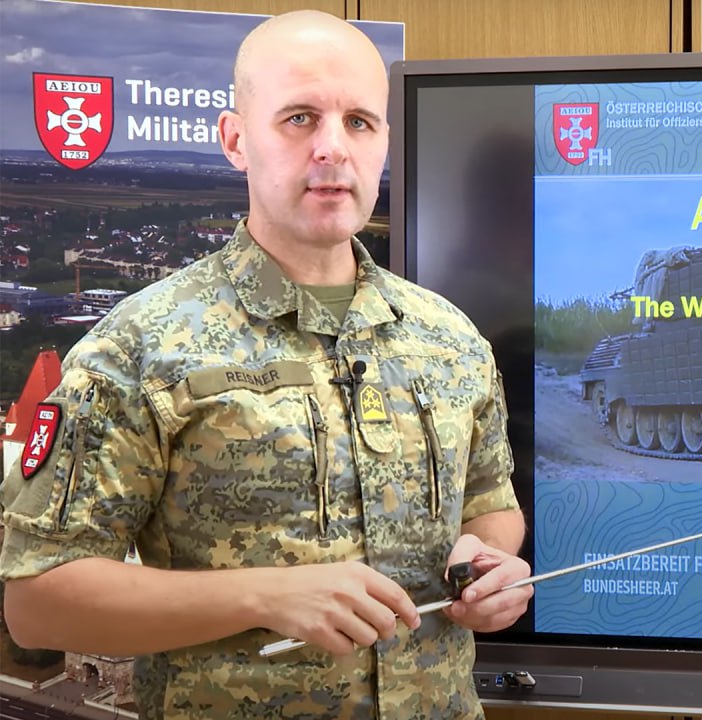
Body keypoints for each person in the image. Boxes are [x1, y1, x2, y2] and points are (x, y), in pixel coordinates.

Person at [0, 10, 531, 719]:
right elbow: (38, 605)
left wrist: (487, 563)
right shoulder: (139, 348)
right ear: (235, 140)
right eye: (299, 118)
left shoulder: (450, 338)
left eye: (360, 122)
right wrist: (262, 596)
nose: (333, 148)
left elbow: (491, 503)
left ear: (385, 143)